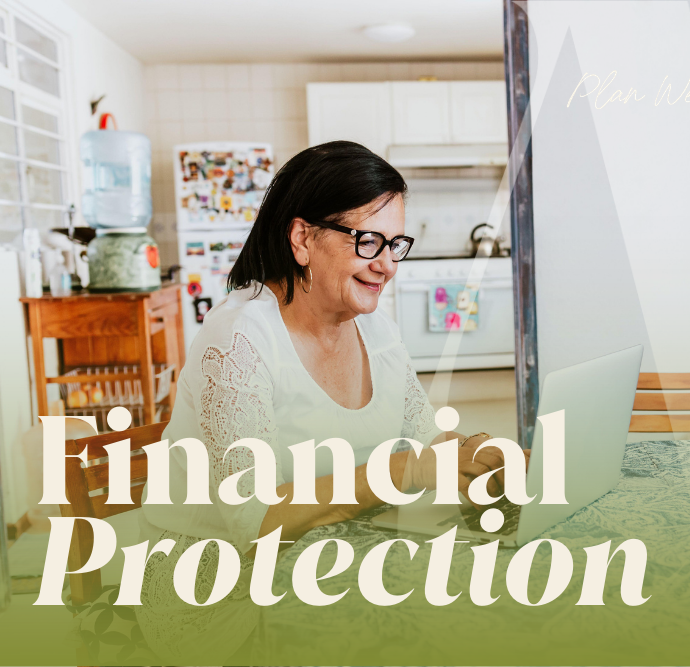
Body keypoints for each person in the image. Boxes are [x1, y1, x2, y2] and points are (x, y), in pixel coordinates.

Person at [136, 141, 520, 663]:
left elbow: (426, 440)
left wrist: (473, 454)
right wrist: (402, 469)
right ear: (302, 238)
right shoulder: (238, 340)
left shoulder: (376, 329)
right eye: (368, 241)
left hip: (329, 561)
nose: (387, 265)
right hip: (220, 595)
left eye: (395, 244)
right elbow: (257, 520)